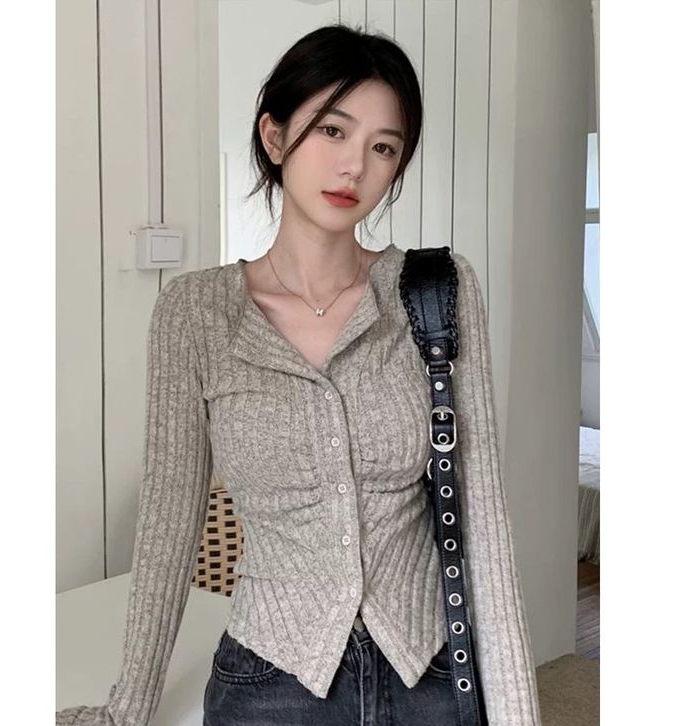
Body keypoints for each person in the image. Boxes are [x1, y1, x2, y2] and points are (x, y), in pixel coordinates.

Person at [56, 23, 541, 726]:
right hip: (270, 683)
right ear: (275, 136)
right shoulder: (195, 314)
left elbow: (484, 524)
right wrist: (126, 707)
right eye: (333, 131)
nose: (355, 167)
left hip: (431, 673)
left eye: (383, 147)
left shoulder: (437, 291)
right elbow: (168, 526)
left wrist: (519, 715)